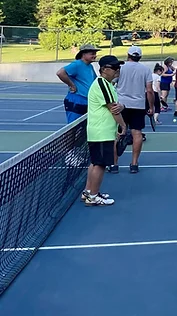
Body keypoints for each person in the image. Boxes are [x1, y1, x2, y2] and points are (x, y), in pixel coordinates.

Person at [83, 55, 127, 206]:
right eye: (114, 68)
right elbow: (113, 109)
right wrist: (123, 126)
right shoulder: (102, 84)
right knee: (100, 165)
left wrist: (121, 106)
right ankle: (93, 196)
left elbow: (116, 105)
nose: (117, 71)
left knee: (95, 163)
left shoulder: (108, 85)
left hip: (100, 131)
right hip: (102, 132)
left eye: (118, 68)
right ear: (104, 70)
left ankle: (89, 192)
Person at [115, 46, 156, 174]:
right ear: (140, 57)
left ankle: (114, 164)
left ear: (128, 55)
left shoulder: (120, 68)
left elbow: (111, 83)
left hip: (121, 105)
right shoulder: (145, 70)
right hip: (138, 105)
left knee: (117, 134)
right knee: (137, 133)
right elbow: (149, 90)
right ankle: (134, 164)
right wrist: (151, 107)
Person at [56, 44, 99, 123]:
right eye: (92, 54)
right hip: (77, 99)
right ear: (83, 54)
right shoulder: (77, 64)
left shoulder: (90, 66)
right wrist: (71, 85)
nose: (95, 56)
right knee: (73, 126)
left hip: (86, 100)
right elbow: (60, 73)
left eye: (95, 54)